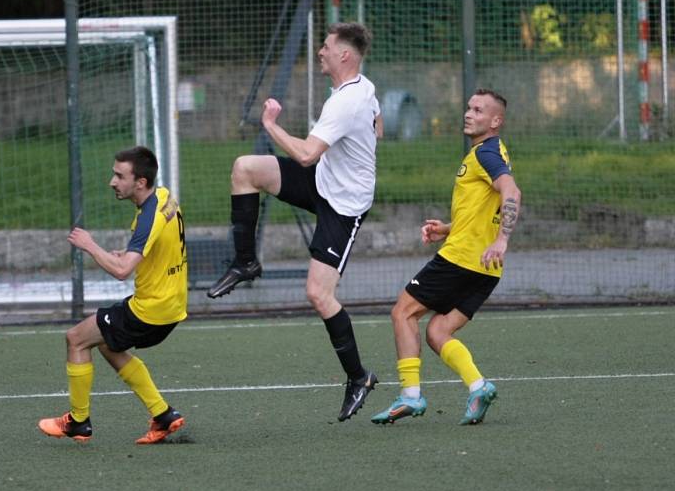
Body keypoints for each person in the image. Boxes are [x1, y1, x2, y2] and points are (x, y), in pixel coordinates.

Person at [207, 22, 383, 421]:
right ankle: (246, 262)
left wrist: (270, 125)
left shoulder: (346, 102)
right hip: (323, 181)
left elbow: (305, 154)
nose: (320, 51)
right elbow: (378, 121)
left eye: (325, 46)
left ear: (344, 55)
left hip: (344, 206)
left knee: (319, 295)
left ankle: (359, 377)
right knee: (245, 168)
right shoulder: (360, 89)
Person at [371, 88, 521, 426]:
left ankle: (410, 396)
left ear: (496, 121)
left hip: (463, 260)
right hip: (486, 268)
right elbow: (484, 209)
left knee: (402, 313)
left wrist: (502, 239)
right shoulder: (490, 153)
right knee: (438, 331)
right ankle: (479, 387)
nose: (469, 114)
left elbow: (512, 192)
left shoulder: (487, 154)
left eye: (479, 110)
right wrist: (448, 228)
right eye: (468, 107)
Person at [38, 146, 188, 444]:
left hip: (150, 310)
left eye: (120, 176)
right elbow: (156, 248)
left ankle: (78, 422)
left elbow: (121, 272)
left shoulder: (148, 218)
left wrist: (90, 245)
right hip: (171, 305)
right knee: (108, 343)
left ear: (140, 182)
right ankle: (163, 415)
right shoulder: (163, 197)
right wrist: (129, 254)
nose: (112, 181)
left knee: (76, 338)